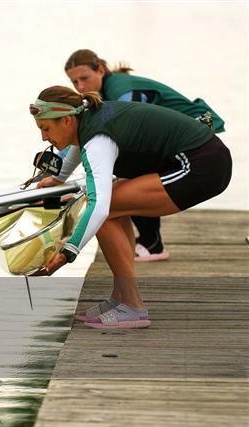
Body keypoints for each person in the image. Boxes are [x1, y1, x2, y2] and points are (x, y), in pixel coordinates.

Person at [29, 86, 231, 329]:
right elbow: (76, 142)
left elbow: (99, 206)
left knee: (107, 207)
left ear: (68, 119)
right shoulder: (89, 117)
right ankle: (121, 298)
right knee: (114, 206)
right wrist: (58, 177)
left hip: (202, 166)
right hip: (203, 156)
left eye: (46, 128)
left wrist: (68, 251)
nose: (43, 137)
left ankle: (133, 307)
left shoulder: (97, 140)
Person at [42, 49, 225, 262]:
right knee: (125, 176)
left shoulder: (122, 91)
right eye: (75, 82)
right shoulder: (101, 97)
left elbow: (138, 132)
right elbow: (81, 136)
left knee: (132, 173)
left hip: (199, 125)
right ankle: (145, 243)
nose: (80, 87)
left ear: (101, 70)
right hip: (181, 139)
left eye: (84, 79)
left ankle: (151, 243)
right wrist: (56, 175)